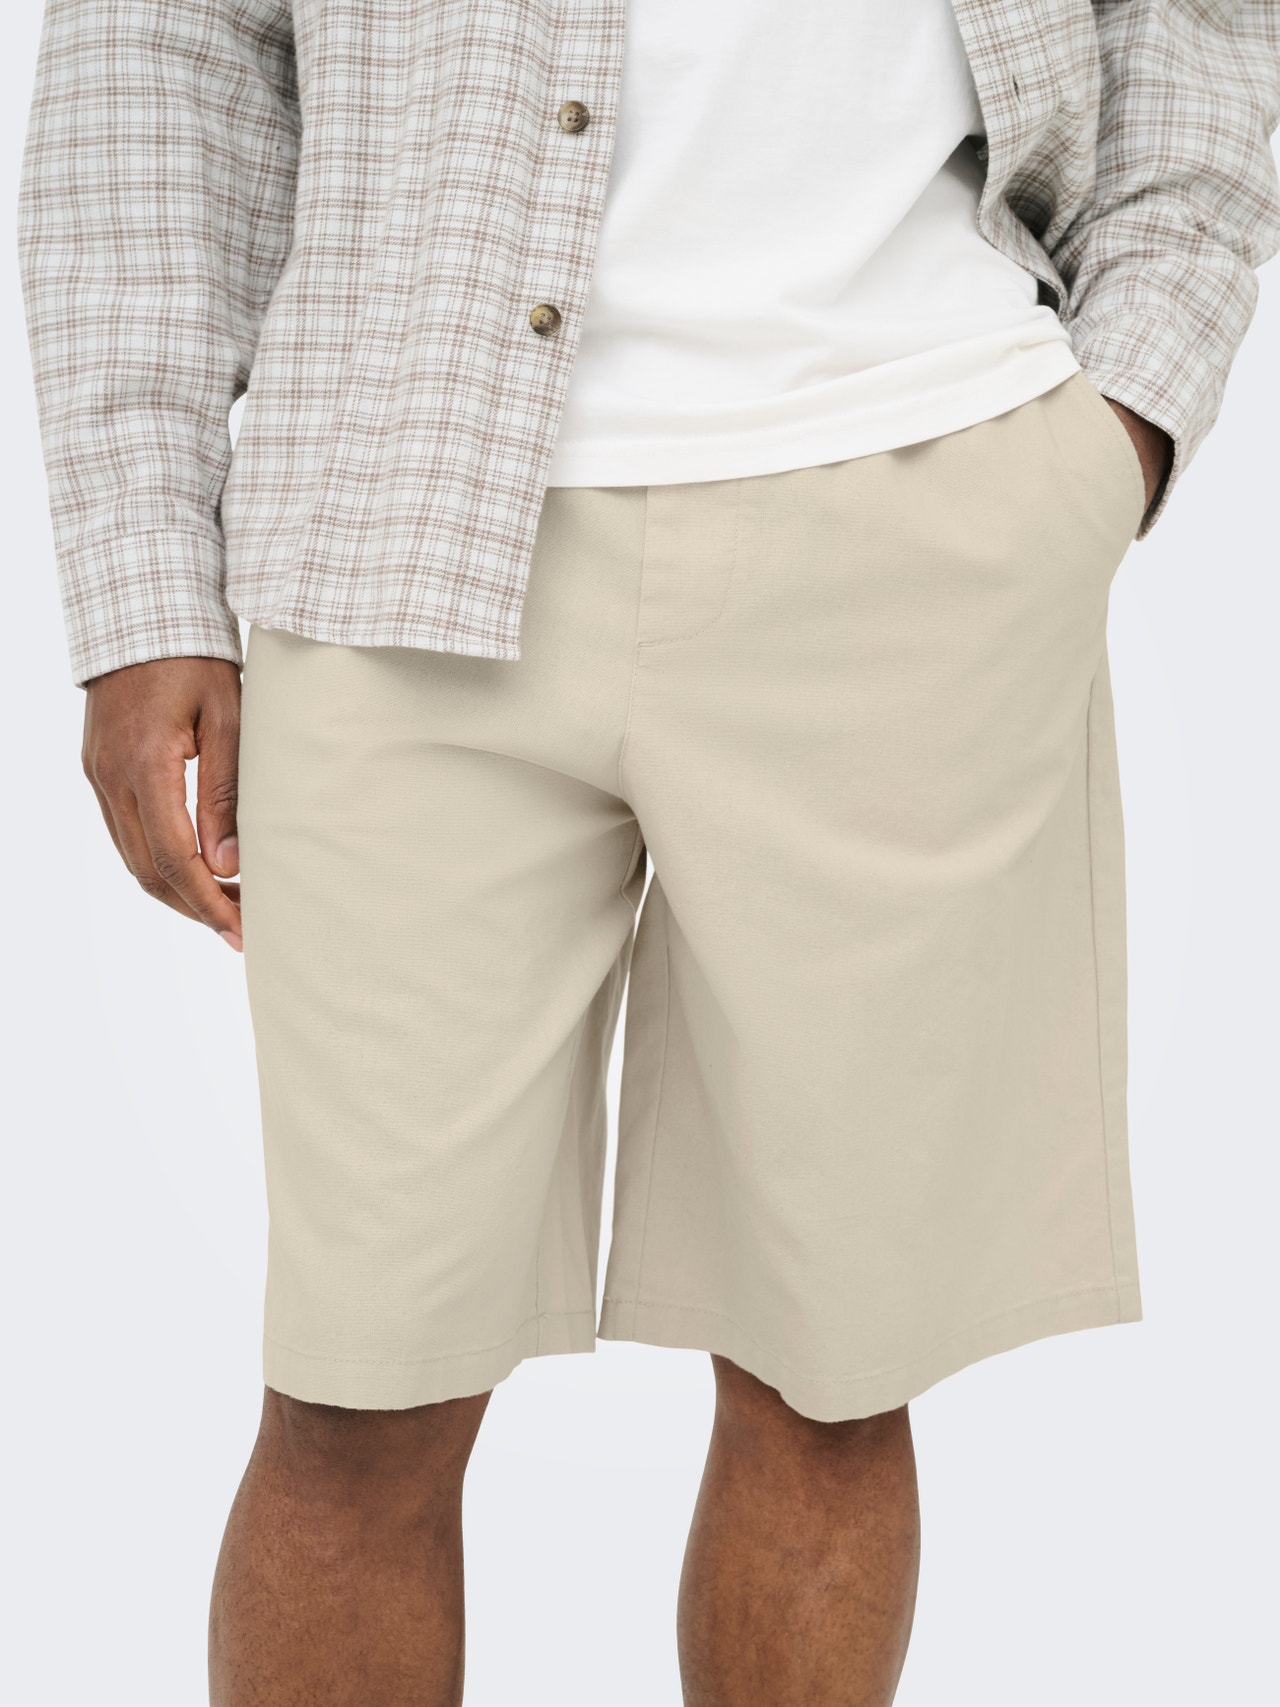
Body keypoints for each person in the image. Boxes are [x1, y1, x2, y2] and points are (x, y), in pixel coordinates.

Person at [17, 0, 1280, 1700]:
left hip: (918, 498)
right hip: (394, 514)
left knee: (832, 1375)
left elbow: (1203, 29)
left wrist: (1122, 422)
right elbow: (159, 48)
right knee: (359, 1381)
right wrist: (143, 584)